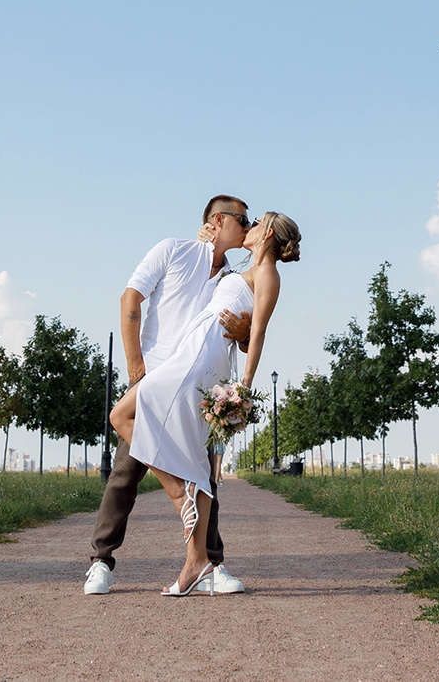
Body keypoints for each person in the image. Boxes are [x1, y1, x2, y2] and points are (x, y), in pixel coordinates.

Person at [114, 208, 300, 597]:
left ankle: (179, 495)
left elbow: (258, 333)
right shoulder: (242, 269)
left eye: (255, 223)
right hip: (196, 348)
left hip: (202, 355)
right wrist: (205, 236)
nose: (249, 227)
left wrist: (243, 388)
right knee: (195, 461)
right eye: (244, 221)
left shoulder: (268, 274)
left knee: (122, 414)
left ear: (266, 234)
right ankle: (195, 564)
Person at [84, 196, 253, 596]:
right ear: (218, 220)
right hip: (155, 379)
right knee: (125, 474)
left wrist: (244, 333)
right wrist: (136, 368)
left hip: (200, 391)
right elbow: (131, 298)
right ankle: (101, 562)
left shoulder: (234, 279)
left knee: (205, 477)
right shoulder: (173, 250)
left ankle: (211, 565)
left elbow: (245, 340)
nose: (248, 227)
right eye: (243, 219)